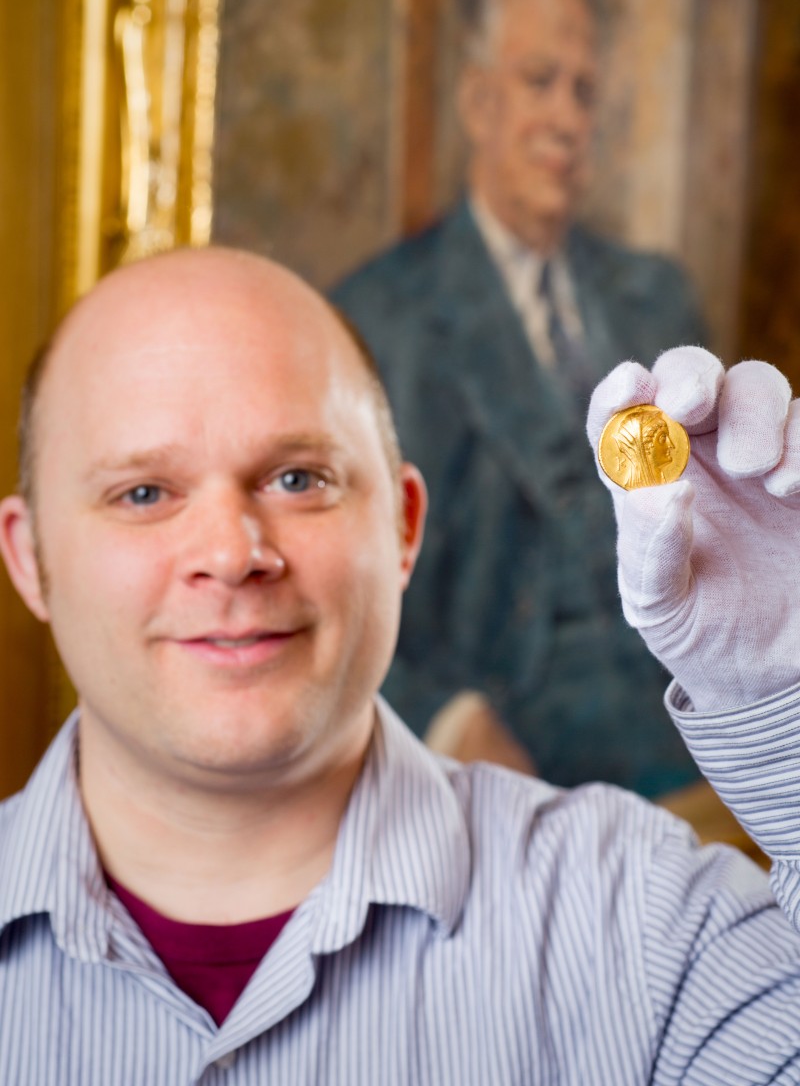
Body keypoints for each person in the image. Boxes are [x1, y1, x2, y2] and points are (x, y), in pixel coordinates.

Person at [0, 245, 799, 1082]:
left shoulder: (653, 927)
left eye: (298, 478)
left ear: (405, 526)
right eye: (143, 494)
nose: (232, 556)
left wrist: (792, 704)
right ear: (31, 556)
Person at [333, 0, 709, 795]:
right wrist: (450, 721)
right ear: (478, 103)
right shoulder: (380, 317)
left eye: (583, 92)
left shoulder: (655, 300)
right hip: (510, 777)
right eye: (540, 82)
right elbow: (330, 599)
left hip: (698, 740)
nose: (567, 118)